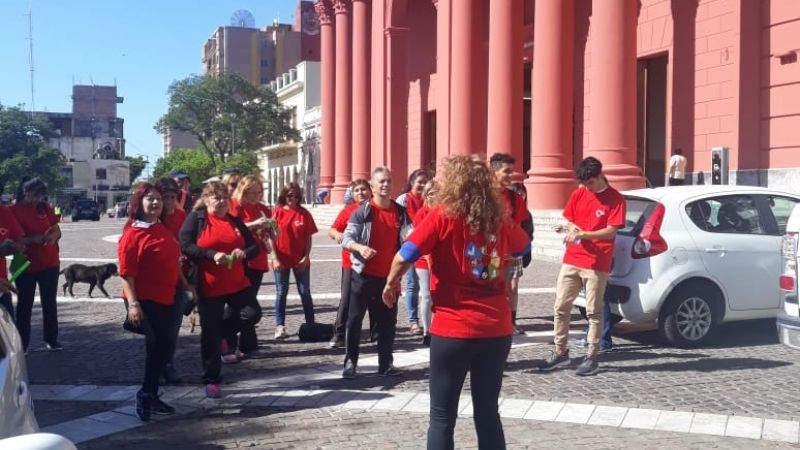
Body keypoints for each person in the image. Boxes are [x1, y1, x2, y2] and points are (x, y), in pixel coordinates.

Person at [382, 156, 530, 450]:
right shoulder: (498, 220)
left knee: (441, 416)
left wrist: (391, 283)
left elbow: (405, 253)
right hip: (496, 328)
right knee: (488, 413)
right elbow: (524, 245)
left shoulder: (442, 216)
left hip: (453, 328)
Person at [536, 157, 625, 376]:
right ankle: (560, 352)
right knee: (560, 307)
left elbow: (611, 231)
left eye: (590, 183)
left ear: (599, 176)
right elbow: (570, 219)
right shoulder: (579, 193)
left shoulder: (615, 199)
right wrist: (570, 228)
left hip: (597, 263)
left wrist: (583, 234)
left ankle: (592, 356)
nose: (587, 187)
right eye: (584, 183)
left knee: (593, 312)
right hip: (572, 259)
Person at [119, 183, 195, 421]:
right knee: (158, 344)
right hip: (144, 299)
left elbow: (174, 261)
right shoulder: (133, 233)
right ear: (139, 203)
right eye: (149, 199)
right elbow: (126, 273)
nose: (155, 203)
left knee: (162, 347)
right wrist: (133, 304)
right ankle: (146, 392)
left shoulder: (160, 227)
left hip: (168, 296)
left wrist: (185, 285)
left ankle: (150, 393)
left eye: (158, 200)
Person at [179, 182, 261, 398]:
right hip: (209, 285)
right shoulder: (197, 219)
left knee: (252, 314)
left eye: (225, 197)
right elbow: (185, 245)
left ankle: (223, 333)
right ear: (206, 200)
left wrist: (243, 252)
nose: (222, 201)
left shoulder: (234, 220)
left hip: (237, 283)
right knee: (209, 334)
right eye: (216, 197)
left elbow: (254, 247)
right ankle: (212, 378)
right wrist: (211, 254)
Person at [341, 166, 412, 379]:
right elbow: (346, 238)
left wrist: (399, 275)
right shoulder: (362, 212)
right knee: (354, 320)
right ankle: (350, 362)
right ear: (372, 186)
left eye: (389, 181)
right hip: (362, 275)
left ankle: (385, 363)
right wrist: (360, 248)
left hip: (388, 277)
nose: (385, 185)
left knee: (387, 322)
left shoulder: (400, 212)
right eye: (381, 181)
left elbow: (408, 239)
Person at [11, 177, 62, 352]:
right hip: (25, 264)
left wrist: (52, 236)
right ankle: (23, 344)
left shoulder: (45, 207)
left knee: (50, 302)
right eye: (33, 196)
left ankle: (51, 339)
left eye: (40, 196)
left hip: (49, 262)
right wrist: (33, 239)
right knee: (25, 304)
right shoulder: (14, 210)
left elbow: (57, 229)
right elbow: (12, 240)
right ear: (25, 193)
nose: (37, 200)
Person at [229, 175, 272, 357]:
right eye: (251, 193)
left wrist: (270, 235)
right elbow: (234, 229)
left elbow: (269, 232)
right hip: (242, 259)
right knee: (244, 304)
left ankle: (246, 343)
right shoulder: (236, 205)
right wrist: (254, 225)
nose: (256, 196)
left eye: (258, 192)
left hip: (258, 259)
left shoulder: (263, 208)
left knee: (248, 301)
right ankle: (233, 338)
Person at [328, 179, 372, 349]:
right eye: (357, 190)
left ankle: (376, 333)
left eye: (364, 189)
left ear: (370, 191)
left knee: (374, 299)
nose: (361, 193)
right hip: (351, 262)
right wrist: (337, 235)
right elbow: (332, 230)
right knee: (346, 299)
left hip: (374, 262)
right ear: (352, 195)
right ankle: (339, 334)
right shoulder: (348, 210)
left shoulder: (376, 209)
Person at [153, 177, 189, 385]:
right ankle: (156, 367)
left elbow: (186, 243)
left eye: (171, 197)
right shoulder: (150, 217)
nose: (167, 202)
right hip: (155, 280)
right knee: (157, 329)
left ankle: (168, 364)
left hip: (177, 278)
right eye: (163, 197)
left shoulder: (182, 216)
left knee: (172, 327)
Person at [271, 182, 317, 339]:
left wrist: (306, 256)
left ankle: (311, 324)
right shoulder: (277, 213)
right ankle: (280, 326)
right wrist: (274, 258)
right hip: (281, 259)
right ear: (284, 195)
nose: (293, 199)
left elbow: (308, 237)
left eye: (297, 196)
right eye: (290, 195)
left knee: (305, 292)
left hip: (300, 260)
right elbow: (271, 238)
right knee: (281, 292)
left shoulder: (304, 214)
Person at [489, 153, 528, 335]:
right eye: (507, 172)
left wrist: (516, 250)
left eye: (512, 172)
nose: (510, 176)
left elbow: (518, 226)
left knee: (510, 288)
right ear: (494, 171)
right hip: (488, 254)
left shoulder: (515, 198)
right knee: (492, 288)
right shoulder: (482, 196)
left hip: (509, 252)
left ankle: (508, 323)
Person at [396, 168, 430, 336]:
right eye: (419, 182)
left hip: (427, 248)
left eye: (425, 182)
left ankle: (428, 320)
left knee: (426, 288)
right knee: (412, 284)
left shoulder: (429, 199)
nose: (422, 186)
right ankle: (413, 320)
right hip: (409, 245)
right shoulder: (404, 199)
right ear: (411, 183)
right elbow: (398, 223)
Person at [414, 179, 438, 347]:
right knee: (426, 295)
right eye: (430, 193)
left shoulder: (445, 211)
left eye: (436, 193)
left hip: (440, 259)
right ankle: (426, 331)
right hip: (423, 260)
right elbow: (419, 238)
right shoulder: (421, 213)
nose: (433, 196)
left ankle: (437, 329)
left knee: (438, 295)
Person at [0, 203, 24, 316]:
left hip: (2, 287)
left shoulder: (4, 212)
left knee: (11, 331)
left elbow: (19, 240)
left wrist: (13, 248)